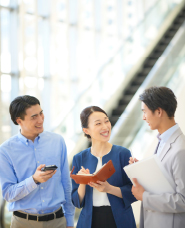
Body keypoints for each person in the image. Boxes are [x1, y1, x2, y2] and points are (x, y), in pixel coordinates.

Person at [0, 95, 75, 228]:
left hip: (57, 222)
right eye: (34, 117)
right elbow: (8, 194)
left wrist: (69, 221)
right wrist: (34, 180)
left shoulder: (57, 141)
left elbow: (66, 184)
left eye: (41, 113)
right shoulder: (6, 150)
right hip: (23, 223)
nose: (40, 120)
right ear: (19, 121)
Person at [71, 106, 137, 228]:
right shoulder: (79, 158)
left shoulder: (123, 154)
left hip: (120, 219)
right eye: (98, 123)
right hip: (89, 221)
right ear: (86, 130)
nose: (105, 127)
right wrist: (82, 182)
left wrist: (109, 189)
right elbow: (77, 201)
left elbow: (134, 192)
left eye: (106, 121)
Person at [129, 86, 185, 228]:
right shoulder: (163, 140)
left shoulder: (180, 149)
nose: (143, 117)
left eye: (145, 111)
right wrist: (143, 169)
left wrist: (145, 197)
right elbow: (166, 178)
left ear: (159, 111)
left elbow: (183, 200)